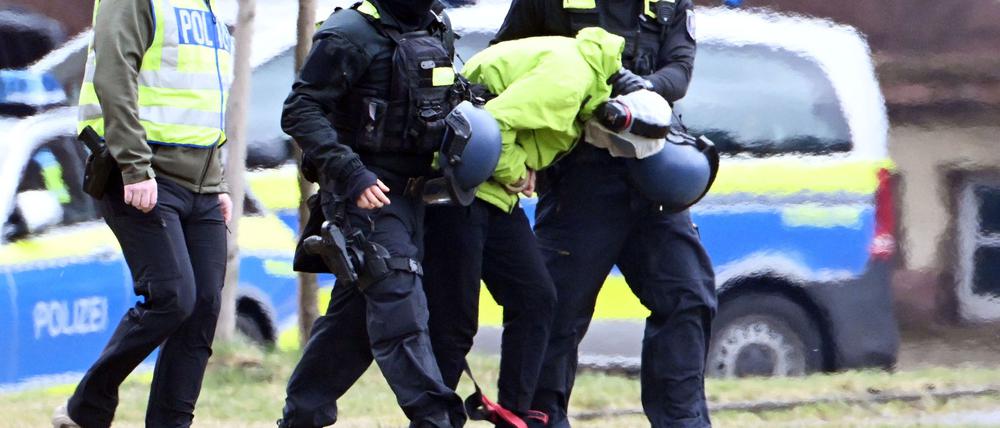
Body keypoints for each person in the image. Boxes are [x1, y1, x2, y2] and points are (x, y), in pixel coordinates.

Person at [494, 1, 718, 427]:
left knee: (688, 295)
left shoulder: (667, 4)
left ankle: (682, 419)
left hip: (651, 174)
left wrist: (643, 89)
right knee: (557, 311)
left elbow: (679, 71)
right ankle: (540, 416)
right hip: (580, 178)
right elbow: (506, 59)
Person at [275, 1, 469, 426]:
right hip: (365, 197)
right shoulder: (348, 33)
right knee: (400, 309)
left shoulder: (437, 24)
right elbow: (300, 110)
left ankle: (302, 416)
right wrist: (350, 174)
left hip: (418, 198)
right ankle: (435, 419)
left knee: (354, 323)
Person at [423, 27, 625, 426]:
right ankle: (433, 421)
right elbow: (492, 123)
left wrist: (518, 174)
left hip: (494, 191)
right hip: (462, 184)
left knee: (535, 298)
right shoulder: (570, 82)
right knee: (455, 323)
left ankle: (517, 414)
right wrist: (517, 171)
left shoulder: (588, 85)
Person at [52, 0, 233, 427]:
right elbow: (114, 78)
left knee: (204, 307)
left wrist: (219, 180)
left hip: (202, 184)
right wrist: (135, 166)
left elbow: (207, 98)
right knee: (171, 297)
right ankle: (88, 407)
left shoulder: (206, 6)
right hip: (143, 174)